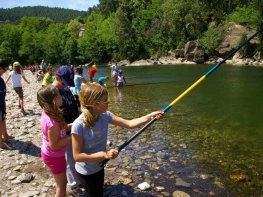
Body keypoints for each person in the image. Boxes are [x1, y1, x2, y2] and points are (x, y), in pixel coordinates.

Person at [71, 83, 164, 197]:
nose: (109, 102)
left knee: (99, 191)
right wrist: (104, 154)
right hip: (86, 171)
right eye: (105, 100)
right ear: (95, 104)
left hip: (99, 166)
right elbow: (77, 156)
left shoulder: (105, 115)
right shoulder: (78, 125)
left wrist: (150, 116)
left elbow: (129, 123)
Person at [52, 66, 86, 196]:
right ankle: (74, 185)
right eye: (64, 83)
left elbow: (73, 104)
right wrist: (68, 126)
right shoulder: (53, 93)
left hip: (75, 127)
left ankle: (79, 179)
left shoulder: (65, 89)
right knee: (70, 159)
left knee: (78, 155)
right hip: (65, 131)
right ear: (57, 77)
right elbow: (54, 119)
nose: (66, 85)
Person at [37, 85, 72, 197]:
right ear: (53, 100)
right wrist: (73, 136)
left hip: (51, 155)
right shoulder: (52, 123)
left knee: (61, 182)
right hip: (54, 156)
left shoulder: (48, 112)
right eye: (59, 95)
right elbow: (55, 145)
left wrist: (74, 125)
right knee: (61, 186)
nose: (61, 97)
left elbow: (62, 128)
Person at [0, 59, 14, 149]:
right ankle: (0, 143)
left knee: (3, 119)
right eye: (4, 69)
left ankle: (5, 135)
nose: (5, 71)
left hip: (2, 103)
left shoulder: (0, 79)